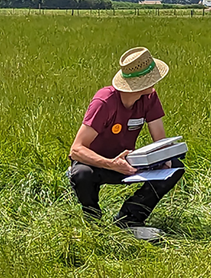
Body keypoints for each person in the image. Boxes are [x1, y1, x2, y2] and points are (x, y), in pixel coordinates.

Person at [68, 47, 183, 234]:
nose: (156, 82)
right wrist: (111, 164)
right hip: (97, 164)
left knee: (174, 166)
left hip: (128, 163)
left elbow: (160, 140)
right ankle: (93, 221)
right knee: (81, 173)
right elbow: (76, 150)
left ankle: (129, 218)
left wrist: (164, 158)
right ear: (137, 83)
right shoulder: (104, 102)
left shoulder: (150, 97)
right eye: (151, 78)